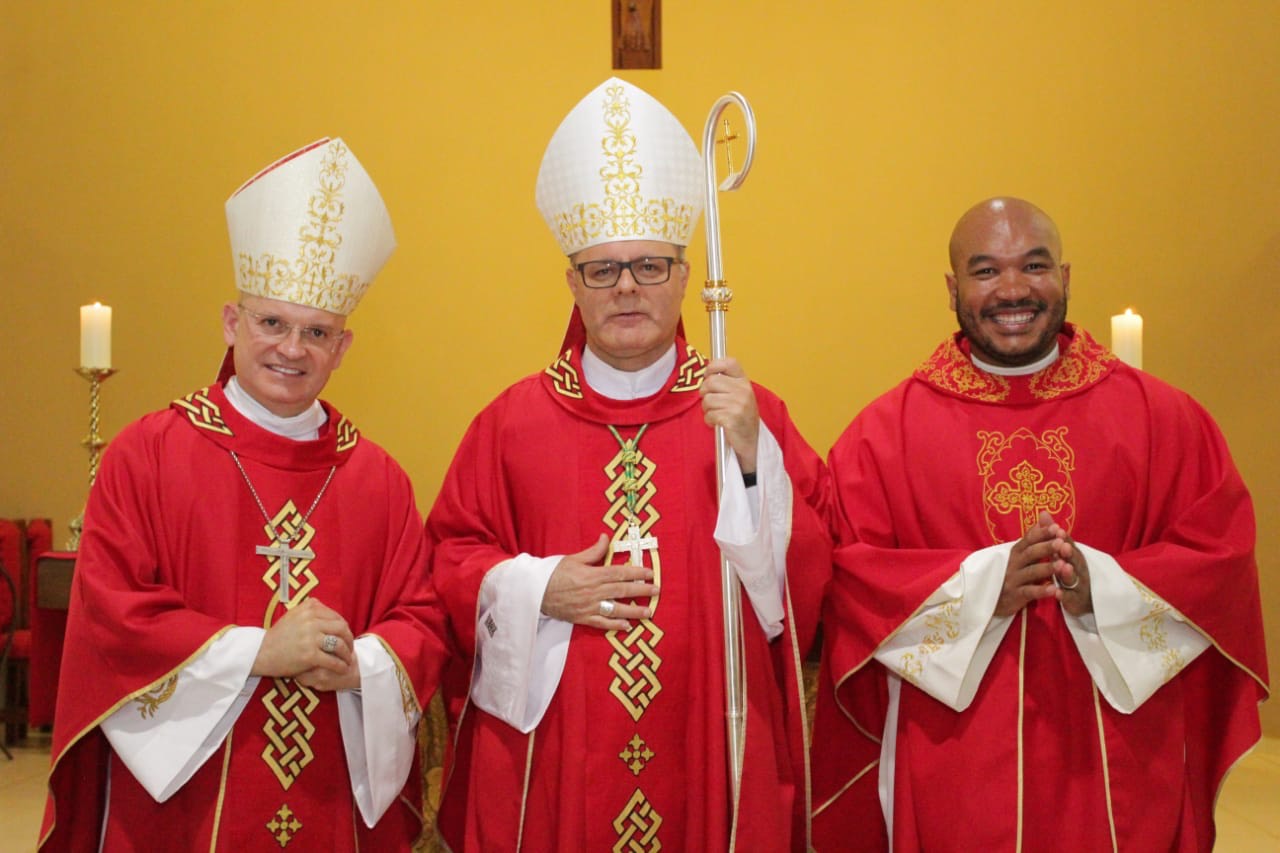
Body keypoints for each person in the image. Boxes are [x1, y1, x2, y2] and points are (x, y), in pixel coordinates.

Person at [426, 77, 831, 851]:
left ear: (685, 275)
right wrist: (541, 587)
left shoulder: (746, 412)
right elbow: (445, 564)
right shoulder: (510, 425)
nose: (627, 289)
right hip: (556, 760)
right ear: (572, 285)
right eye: (602, 270)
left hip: (708, 735)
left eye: (649, 266)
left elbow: (808, 585)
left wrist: (754, 460)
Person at [810, 197, 1269, 851]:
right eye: (986, 270)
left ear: (1067, 276)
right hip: (959, 766)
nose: (1015, 289)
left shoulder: (1164, 420)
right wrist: (985, 584)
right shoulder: (883, 437)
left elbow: (1220, 558)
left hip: (1119, 764)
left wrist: (1102, 587)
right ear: (951, 289)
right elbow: (852, 576)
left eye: (1034, 265)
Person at [39, 138, 448, 851]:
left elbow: (420, 619)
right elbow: (113, 614)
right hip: (179, 812)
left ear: (343, 347)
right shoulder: (149, 453)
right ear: (232, 323)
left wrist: (364, 664)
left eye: (317, 332)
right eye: (271, 323)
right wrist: (261, 649)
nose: (292, 349)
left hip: (329, 807)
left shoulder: (377, 479)